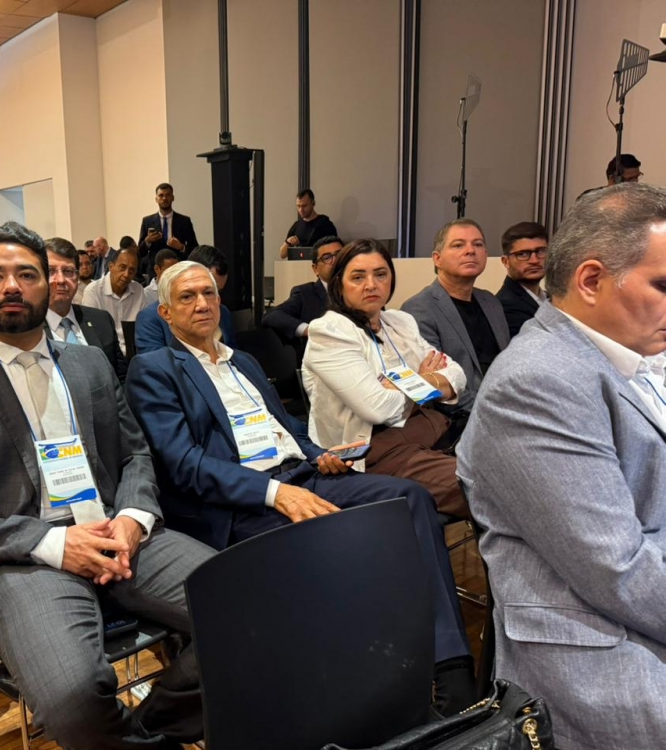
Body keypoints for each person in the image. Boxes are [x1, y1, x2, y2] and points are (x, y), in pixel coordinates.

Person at [0, 221, 215, 749]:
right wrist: (55, 543)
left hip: (120, 535)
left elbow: (136, 454)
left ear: (48, 285)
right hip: (21, 558)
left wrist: (133, 518)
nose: (12, 286)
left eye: (27, 274)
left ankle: (150, 727)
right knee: (74, 697)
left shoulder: (89, 363)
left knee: (253, 607)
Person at [126, 261, 476, 714]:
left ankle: (451, 667)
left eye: (209, 294)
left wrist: (320, 453)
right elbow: (183, 464)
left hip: (302, 475)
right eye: (187, 297)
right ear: (166, 313)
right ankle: (369, 691)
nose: (202, 304)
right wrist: (274, 493)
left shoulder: (243, 362)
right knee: (341, 547)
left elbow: (287, 426)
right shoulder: (155, 368)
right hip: (243, 501)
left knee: (408, 498)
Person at [458, 183, 666, 750]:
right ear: (591, 280)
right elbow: (619, 570)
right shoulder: (539, 382)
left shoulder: (632, 348)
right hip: (605, 645)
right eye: (663, 284)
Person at [301, 240, 468, 517]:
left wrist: (415, 381)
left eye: (380, 274)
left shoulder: (401, 322)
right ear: (339, 284)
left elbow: (457, 375)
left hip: (438, 432)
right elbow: (378, 409)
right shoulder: (329, 332)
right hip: (377, 452)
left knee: (514, 464)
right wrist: (429, 381)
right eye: (358, 277)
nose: (371, 284)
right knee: (491, 486)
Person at [401, 219, 509, 416]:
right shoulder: (418, 308)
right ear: (437, 259)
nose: (470, 251)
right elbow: (437, 385)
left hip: (506, 403)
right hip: (460, 417)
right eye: (458, 245)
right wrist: (496, 412)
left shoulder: (491, 302)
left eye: (478, 244)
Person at [45, 238, 127, 380]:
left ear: (77, 277)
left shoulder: (102, 320)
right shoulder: (26, 330)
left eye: (68, 271)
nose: (61, 280)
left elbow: (121, 378)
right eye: (51, 271)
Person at [134, 246, 237, 355]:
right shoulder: (150, 318)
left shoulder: (223, 312)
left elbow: (234, 354)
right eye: (188, 296)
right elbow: (154, 363)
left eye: (210, 292)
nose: (204, 304)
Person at [262, 235, 343, 344]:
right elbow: (271, 316)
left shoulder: (360, 290)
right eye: (327, 258)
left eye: (340, 255)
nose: (335, 261)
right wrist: (309, 330)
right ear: (315, 269)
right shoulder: (305, 294)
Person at [82, 248, 145, 355]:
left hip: (134, 352)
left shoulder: (138, 290)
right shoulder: (93, 291)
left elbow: (144, 325)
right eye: (122, 267)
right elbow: (92, 334)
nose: (126, 274)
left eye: (131, 270)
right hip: (106, 353)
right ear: (111, 266)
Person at [496, 222, 548, 337]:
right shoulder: (504, 306)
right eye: (523, 254)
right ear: (506, 261)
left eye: (540, 251)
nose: (534, 260)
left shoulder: (551, 298)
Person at [137, 183, 199, 277]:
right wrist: (147, 241)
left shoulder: (184, 221)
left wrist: (181, 247)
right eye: (161, 195)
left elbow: (195, 249)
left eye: (168, 195)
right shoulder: (147, 221)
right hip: (155, 271)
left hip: (178, 270)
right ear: (156, 199)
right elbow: (140, 252)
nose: (164, 198)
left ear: (173, 197)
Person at [278, 189, 339, 259]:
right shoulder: (296, 226)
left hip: (320, 263)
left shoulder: (325, 223)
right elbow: (282, 254)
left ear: (313, 204)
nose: (301, 210)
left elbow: (336, 249)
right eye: (298, 206)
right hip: (299, 264)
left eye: (304, 206)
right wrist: (288, 242)